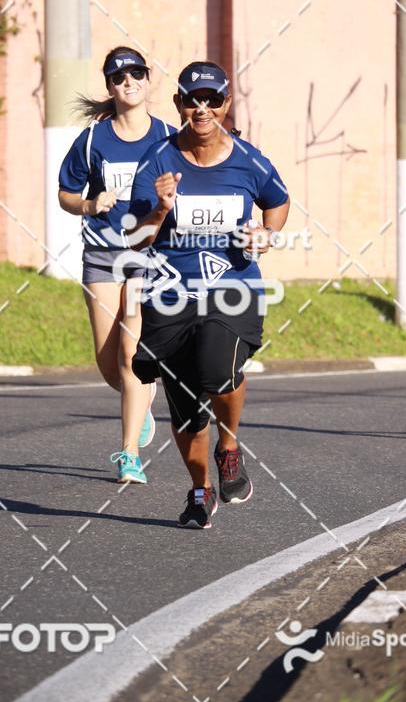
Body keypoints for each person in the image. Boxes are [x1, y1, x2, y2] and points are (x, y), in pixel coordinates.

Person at [128, 60, 290, 528]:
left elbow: (277, 202)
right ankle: (199, 491)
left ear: (225, 104)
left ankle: (230, 443)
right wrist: (159, 209)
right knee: (184, 406)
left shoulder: (248, 159)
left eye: (211, 100)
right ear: (179, 104)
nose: (202, 109)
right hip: (170, 295)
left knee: (220, 370)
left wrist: (266, 233)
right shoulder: (157, 160)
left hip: (232, 289)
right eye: (192, 100)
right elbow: (135, 240)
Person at [58, 46, 175, 483]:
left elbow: (195, 176)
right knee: (109, 363)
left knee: (131, 356)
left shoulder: (167, 136)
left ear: (147, 81)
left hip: (149, 255)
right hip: (103, 253)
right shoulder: (92, 140)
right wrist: (89, 203)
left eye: (137, 74)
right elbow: (66, 194)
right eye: (119, 76)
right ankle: (140, 401)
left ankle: (128, 454)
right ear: (109, 86)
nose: (129, 82)